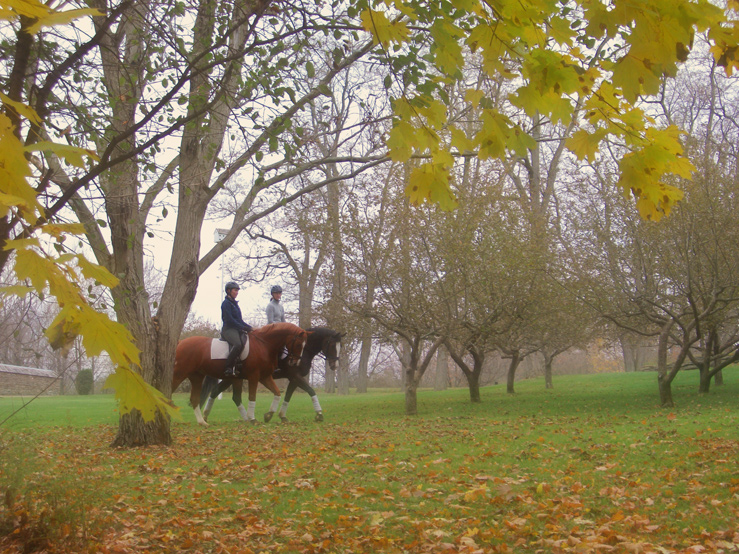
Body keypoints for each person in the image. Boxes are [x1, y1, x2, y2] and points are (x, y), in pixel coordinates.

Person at [221, 281, 253, 377]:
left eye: (237, 290)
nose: (237, 292)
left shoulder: (235, 304)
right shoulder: (226, 303)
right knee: (238, 344)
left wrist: (250, 328)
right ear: (228, 291)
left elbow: (239, 320)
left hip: (236, 329)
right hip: (228, 329)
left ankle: (239, 364)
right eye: (235, 290)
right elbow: (229, 320)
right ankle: (228, 368)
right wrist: (242, 327)